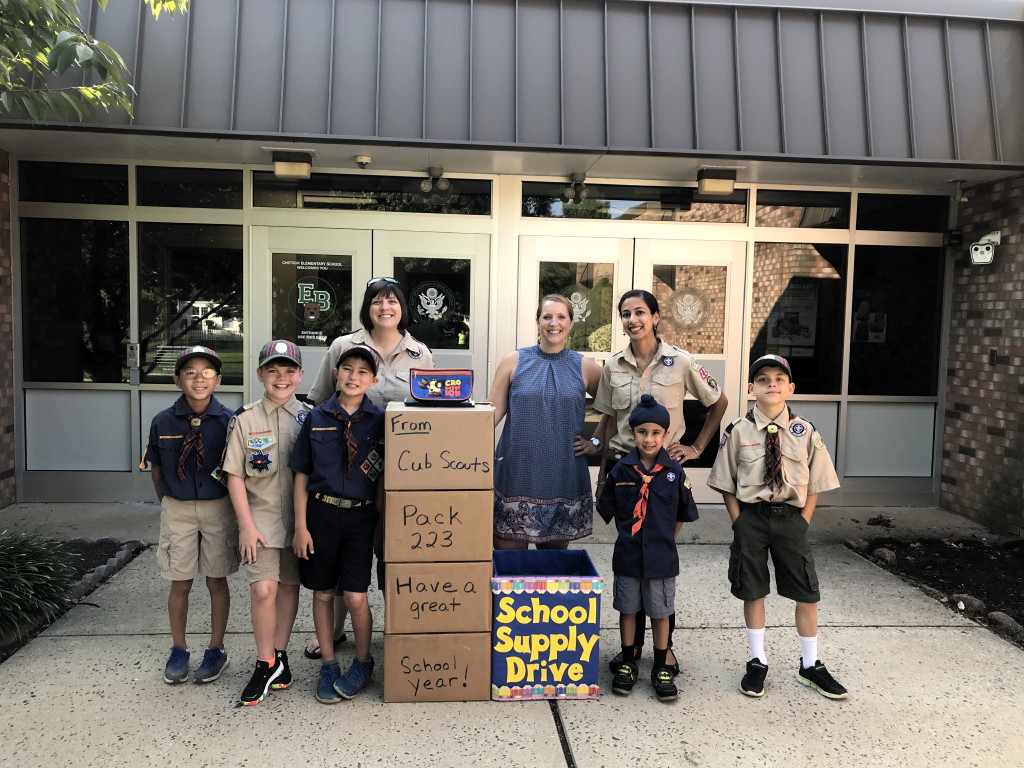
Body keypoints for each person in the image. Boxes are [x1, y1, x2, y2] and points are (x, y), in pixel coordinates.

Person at [592, 289, 729, 675]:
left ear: (654, 317)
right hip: (624, 470)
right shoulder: (613, 365)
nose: (632, 320)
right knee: (630, 556)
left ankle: (664, 652)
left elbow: (718, 402)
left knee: (659, 559)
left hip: (664, 475)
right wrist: (602, 474)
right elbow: (607, 418)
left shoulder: (681, 361)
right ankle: (631, 651)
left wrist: (697, 447)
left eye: (639, 312)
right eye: (625, 314)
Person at [303, 277, 434, 659]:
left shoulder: (420, 354)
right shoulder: (344, 347)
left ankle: (400, 625)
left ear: (402, 308)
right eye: (377, 301)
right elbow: (319, 404)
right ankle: (338, 630)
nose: (385, 307)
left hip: (404, 468)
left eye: (392, 301)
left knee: (392, 547)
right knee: (345, 547)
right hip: (349, 470)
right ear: (368, 308)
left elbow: (433, 410)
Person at [707, 354, 846, 699]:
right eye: (764, 379)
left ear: (791, 388)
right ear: (751, 388)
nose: (772, 384)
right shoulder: (738, 431)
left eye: (779, 379)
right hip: (751, 519)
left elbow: (816, 480)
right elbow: (725, 481)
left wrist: (803, 521)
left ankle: (810, 664)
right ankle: (757, 661)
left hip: (791, 519)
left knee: (806, 591)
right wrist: (738, 521)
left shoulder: (805, 430)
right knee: (752, 589)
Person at [290, 344, 385, 703]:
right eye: (347, 368)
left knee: (357, 596)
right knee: (323, 591)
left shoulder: (379, 421)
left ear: (373, 380)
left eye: (363, 371)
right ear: (336, 372)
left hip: (361, 517)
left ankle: (363, 661)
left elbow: (382, 482)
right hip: (321, 515)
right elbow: (301, 474)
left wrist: (379, 527)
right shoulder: (316, 418)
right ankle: (328, 663)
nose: (353, 376)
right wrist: (301, 526)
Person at [221, 340, 310, 706]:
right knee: (263, 590)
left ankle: (280, 657)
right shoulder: (245, 420)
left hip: (301, 523)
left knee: (289, 587)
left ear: (300, 376)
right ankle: (264, 661)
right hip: (262, 521)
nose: (281, 377)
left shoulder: (310, 417)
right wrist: (245, 525)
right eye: (273, 370)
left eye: (289, 370)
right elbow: (234, 476)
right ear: (260, 374)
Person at [142, 345, 238, 685]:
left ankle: (216, 649)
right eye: (190, 372)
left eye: (207, 372)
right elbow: (155, 469)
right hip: (178, 508)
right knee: (179, 580)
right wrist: (169, 502)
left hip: (218, 507)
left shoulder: (230, 421)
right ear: (177, 379)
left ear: (219, 379)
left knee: (216, 578)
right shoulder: (163, 421)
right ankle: (179, 649)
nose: (199, 379)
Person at [601, 395, 698, 702]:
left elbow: (682, 515)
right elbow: (610, 508)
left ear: (666, 436)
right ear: (632, 434)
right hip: (628, 556)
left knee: (660, 611)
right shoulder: (621, 472)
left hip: (661, 558)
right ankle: (628, 661)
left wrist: (664, 541)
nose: (649, 438)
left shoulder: (674, 473)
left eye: (656, 433)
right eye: (642, 432)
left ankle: (660, 665)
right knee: (627, 609)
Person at [489, 294, 602, 549]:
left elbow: (616, 407)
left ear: (571, 322)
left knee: (551, 572)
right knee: (509, 567)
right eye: (547, 317)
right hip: (517, 471)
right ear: (538, 321)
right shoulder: (514, 361)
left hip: (561, 475)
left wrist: (596, 440)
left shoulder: (585, 366)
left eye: (561, 317)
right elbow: (491, 413)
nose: (554, 323)